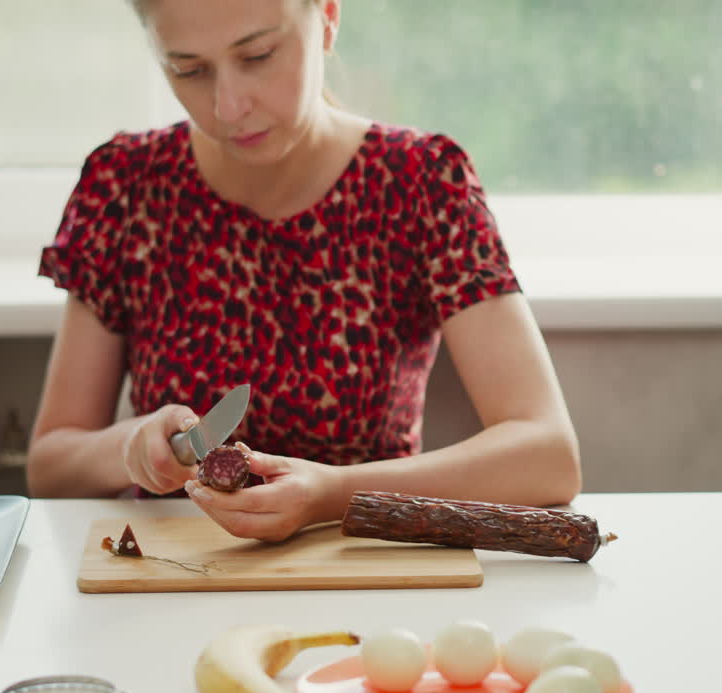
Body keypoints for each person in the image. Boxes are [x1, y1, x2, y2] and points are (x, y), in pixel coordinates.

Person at [28, 0, 581, 542]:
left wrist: (331, 493)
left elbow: (548, 455)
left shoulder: (421, 181)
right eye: (188, 69)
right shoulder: (125, 183)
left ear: (328, 20)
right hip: (174, 576)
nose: (228, 106)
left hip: (365, 574)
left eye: (259, 55)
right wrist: (128, 448)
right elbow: (50, 466)